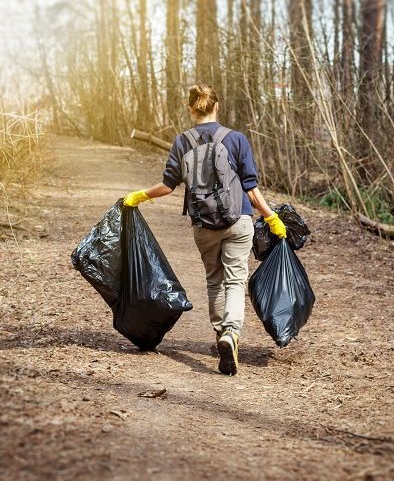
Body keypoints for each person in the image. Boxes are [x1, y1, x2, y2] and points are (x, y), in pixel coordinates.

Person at [122, 83, 286, 376]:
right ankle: (231, 334)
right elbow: (250, 189)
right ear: (217, 106)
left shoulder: (182, 142)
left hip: (203, 226)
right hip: (239, 221)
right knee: (236, 280)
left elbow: (168, 186)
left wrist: (139, 195)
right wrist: (271, 217)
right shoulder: (236, 139)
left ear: (190, 109)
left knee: (215, 281)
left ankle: (221, 332)